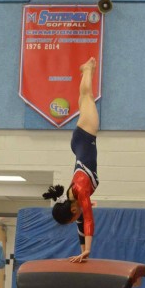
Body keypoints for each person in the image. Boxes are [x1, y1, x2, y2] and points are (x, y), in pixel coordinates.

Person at [43, 57, 99, 263]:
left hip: (85, 138)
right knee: (84, 98)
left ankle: (88, 69)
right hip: (78, 143)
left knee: (88, 97)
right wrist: (82, 250)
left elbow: (88, 221)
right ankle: (86, 70)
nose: (77, 218)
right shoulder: (73, 196)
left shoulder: (80, 193)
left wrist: (88, 250)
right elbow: (81, 222)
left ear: (73, 210)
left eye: (74, 216)